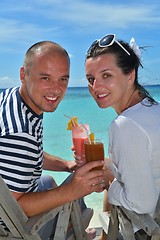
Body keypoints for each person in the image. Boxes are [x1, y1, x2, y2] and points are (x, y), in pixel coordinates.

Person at [0, 41, 105, 239]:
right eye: (46, 78)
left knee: (47, 180)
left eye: (63, 79)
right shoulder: (20, 134)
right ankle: (74, 229)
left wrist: (67, 164)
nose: (56, 90)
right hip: (11, 227)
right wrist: (72, 190)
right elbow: (15, 208)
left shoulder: (14, 98)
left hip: (10, 194)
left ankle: (73, 226)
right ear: (24, 75)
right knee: (75, 195)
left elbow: (29, 156)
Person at [85, 34, 160, 240]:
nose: (95, 87)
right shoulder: (152, 110)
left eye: (106, 75)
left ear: (130, 75)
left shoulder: (124, 125)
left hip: (142, 231)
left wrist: (111, 182)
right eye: (91, 79)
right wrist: (107, 166)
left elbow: (142, 203)